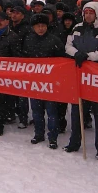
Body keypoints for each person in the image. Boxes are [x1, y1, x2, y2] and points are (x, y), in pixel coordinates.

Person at [63, 1, 98, 160]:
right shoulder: (77, 28)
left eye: (91, 12)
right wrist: (77, 53)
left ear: (97, 13)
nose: (88, 15)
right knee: (77, 111)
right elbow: (68, 46)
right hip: (79, 75)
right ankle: (74, 142)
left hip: (97, 77)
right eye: (86, 12)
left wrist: (89, 56)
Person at [22, 14, 66, 149]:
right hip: (35, 81)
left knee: (52, 111)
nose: (40, 29)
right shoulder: (28, 40)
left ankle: (53, 137)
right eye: (38, 26)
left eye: (43, 26)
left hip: (50, 83)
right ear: (33, 27)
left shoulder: (54, 40)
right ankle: (39, 133)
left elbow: (62, 61)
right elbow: (24, 58)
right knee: (36, 110)